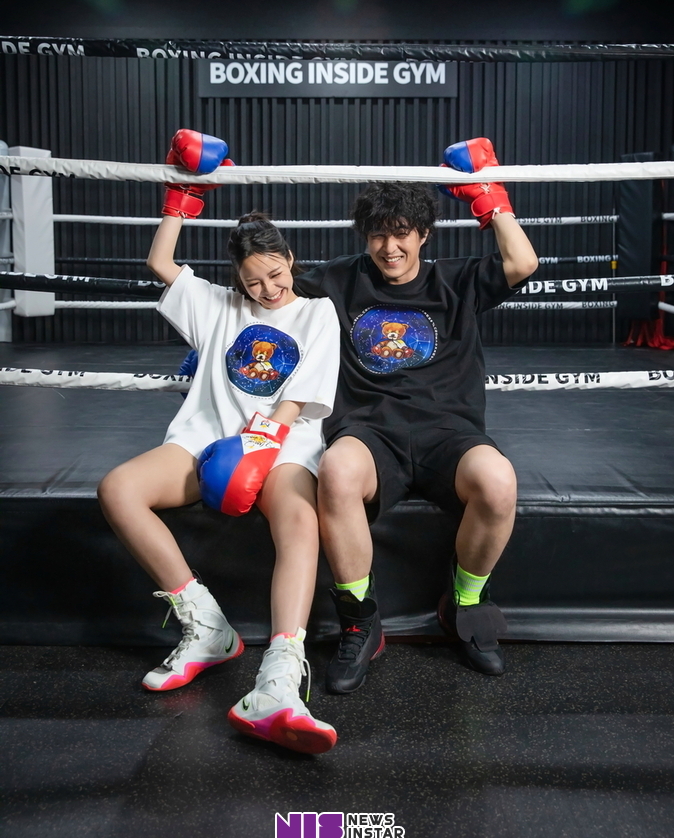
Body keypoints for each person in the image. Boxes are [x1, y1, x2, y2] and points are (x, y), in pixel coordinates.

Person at [97, 129, 340, 754]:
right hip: (204, 440)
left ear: (290, 259)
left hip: (281, 446)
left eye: (276, 274)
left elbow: (300, 397)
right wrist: (180, 199)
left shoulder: (317, 313)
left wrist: (261, 442)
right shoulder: (217, 305)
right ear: (238, 278)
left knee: (299, 520)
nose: (269, 290)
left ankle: (280, 676)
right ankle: (206, 627)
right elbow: (160, 264)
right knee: (118, 489)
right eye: (254, 282)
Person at [293, 137, 539, 691]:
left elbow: (522, 262)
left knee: (498, 482)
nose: (389, 248)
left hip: (449, 432)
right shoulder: (339, 280)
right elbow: (268, 292)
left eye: (401, 233)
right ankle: (361, 621)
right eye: (378, 235)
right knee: (336, 471)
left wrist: (489, 196)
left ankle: (465, 603)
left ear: (424, 234)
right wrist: (184, 205)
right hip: (369, 430)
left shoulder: (456, 280)